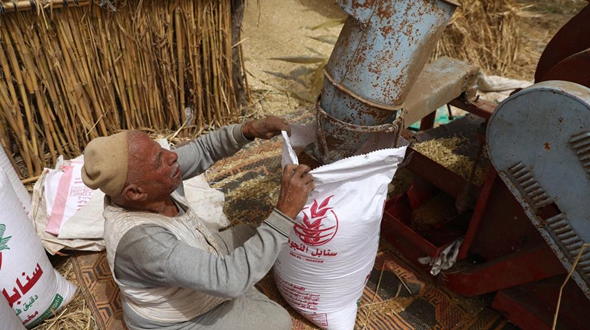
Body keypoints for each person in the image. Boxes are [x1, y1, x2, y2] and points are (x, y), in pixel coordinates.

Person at [81, 115, 314, 330]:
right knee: (277, 321)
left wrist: (248, 130)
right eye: (158, 161)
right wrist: (285, 211)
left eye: (162, 150)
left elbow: (204, 149)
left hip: (193, 259)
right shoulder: (144, 243)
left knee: (251, 234)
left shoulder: (155, 180)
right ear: (136, 193)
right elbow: (229, 281)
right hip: (179, 319)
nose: (172, 156)